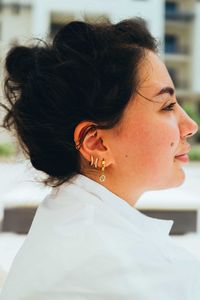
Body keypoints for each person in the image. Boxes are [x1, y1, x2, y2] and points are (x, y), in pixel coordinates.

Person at [0, 18, 199, 300]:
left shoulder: (68, 224)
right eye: (167, 106)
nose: (190, 125)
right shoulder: (125, 274)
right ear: (96, 142)